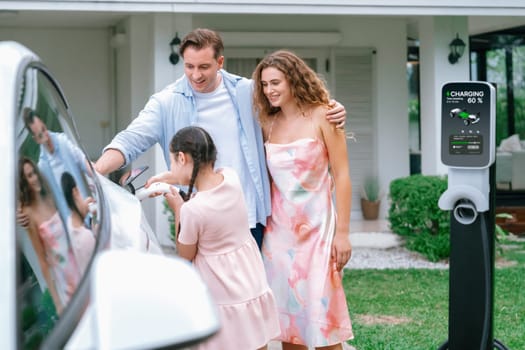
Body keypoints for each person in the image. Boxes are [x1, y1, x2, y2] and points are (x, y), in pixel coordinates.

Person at [94, 28, 347, 249]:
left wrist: (331, 109)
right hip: (200, 217)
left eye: (204, 66)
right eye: (189, 66)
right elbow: (130, 140)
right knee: (207, 298)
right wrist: (96, 170)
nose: (196, 75)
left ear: (220, 62)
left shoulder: (248, 92)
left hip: (249, 217)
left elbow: (292, 107)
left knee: (250, 296)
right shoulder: (166, 102)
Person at [252, 50, 354, 349]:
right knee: (290, 327)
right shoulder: (267, 124)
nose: (269, 90)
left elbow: (343, 176)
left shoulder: (325, 115)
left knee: (325, 325)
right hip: (279, 238)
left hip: (318, 234)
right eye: (265, 85)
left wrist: (344, 233)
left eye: (275, 83)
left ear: (294, 80)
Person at [162, 126, 280, 349]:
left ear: (181, 157)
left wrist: (178, 208)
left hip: (222, 290)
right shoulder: (231, 178)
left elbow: (186, 253)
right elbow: (199, 177)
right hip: (249, 280)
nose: (172, 168)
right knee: (256, 341)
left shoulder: (192, 210)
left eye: (172, 162)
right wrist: (166, 177)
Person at [17, 157, 80, 314]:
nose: (35, 178)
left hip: (79, 260)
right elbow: (42, 260)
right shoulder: (28, 213)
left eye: (34, 173)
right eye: (29, 176)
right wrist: (57, 301)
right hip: (65, 276)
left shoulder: (50, 197)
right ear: (24, 183)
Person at [23, 108, 90, 224]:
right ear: (36, 140)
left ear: (44, 124)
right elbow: (39, 199)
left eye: (44, 130)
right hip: (71, 227)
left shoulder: (64, 141)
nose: (45, 137)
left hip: (88, 214)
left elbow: (86, 164)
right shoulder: (42, 166)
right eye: (40, 135)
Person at [61, 171, 96, 274]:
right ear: (75, 191)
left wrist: (84, 211)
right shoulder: (86, 236)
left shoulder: (69, 223)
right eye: (79, 191)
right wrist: (95, 221)